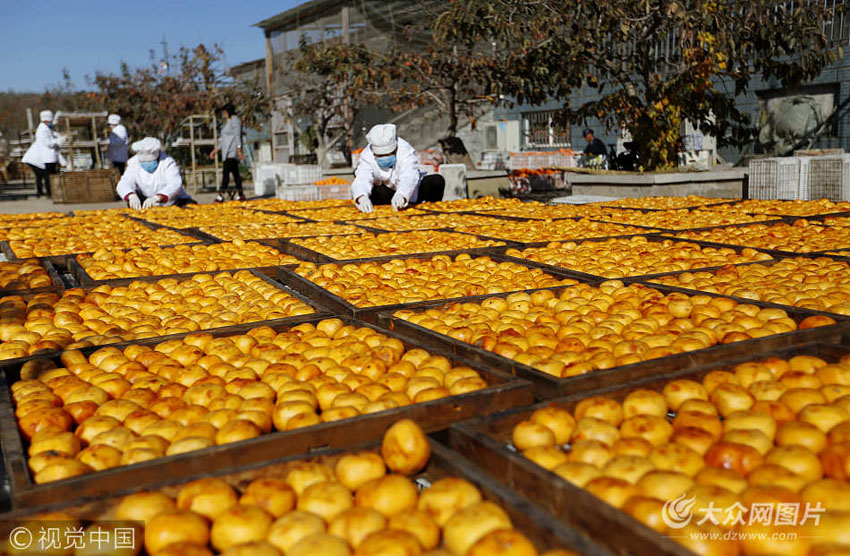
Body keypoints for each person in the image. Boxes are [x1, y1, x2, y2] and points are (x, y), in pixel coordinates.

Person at [351, 124, 445, 213]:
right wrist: (361, 196)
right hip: (385, 193)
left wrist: (402, 194)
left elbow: (409, 175)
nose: (384, 158)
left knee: (436, 180)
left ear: (395, 150)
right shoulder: (367, 155)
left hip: (411, 190)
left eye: (388, 154)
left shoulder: (405, 150)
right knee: (379, 191)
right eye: (380, 155)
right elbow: (363, 177)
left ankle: (431, 209)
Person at [116, 137, 195, 210]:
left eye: (150, 161)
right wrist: (131, 196)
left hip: (174, 201)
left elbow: (174, 184)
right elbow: (124, 183)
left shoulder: (167, 162)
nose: (147, 164)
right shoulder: (133, 163)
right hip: (147, 203)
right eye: (144, 162)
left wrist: (158, 197)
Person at [21, 110, 63, 197]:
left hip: (43, 157)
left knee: (42, 175)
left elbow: (51, 136)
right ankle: (48, 193)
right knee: (46, 176)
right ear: (46, 120)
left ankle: (42, 192)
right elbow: (47, 143)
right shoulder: (42, 129)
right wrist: (58, 141)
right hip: (41, 158)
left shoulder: (46, 129)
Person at [210, 103, 245, 202]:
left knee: (226, 173)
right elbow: (224, 140)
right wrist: (216, 150)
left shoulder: (235, 122)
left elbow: (237, 136)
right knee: (235, 174)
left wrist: (239, 151)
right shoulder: (229, 123)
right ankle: (241, 194)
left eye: (225, 112)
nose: (224, 114)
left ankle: (221, 195)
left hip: (232, 152)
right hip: (226, 152)